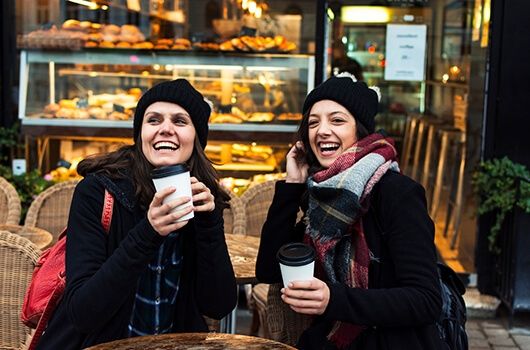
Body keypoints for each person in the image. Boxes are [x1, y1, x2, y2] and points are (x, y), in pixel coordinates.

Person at [36, 79, 238, 349]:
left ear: (197, 137)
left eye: (180, 121)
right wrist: (149, 231)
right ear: (140, 132)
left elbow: (218, 305)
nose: (165, 129)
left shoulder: (203, 198)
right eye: (153, 120)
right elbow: (83, 313)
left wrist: (209, 224)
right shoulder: (97, 192)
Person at [255, 73, 445, 350]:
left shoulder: (397, 194)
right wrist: (292, 185)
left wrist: (334, 300)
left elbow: (426, 300)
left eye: (337, 120)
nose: (321, 130)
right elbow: (270, 269)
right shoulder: (320, 194)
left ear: (360, 130)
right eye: (313, 122)